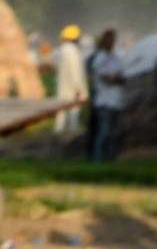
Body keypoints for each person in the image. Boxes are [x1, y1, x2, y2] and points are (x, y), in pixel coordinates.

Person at [88, 28, 130, 161]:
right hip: (104, 102)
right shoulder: (100, 59)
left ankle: (111, 160)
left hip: (116, 102)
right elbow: (108, 79)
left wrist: (116, 79)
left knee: (114, 134)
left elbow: (122, 78)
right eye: (109, 39)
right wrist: (116, 79)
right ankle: (97, 159)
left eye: (113, 39)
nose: (111, 42)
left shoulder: (116, 58)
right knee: (104, 133)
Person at [54, 24, 88, 136]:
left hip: (63, 86)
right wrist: (78, 87)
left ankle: (58, 135)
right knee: (74, 113)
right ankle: (72, 136)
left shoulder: (61, 50)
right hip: (72, 88)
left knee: (61, 112)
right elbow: (75, 71)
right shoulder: (72, 51)